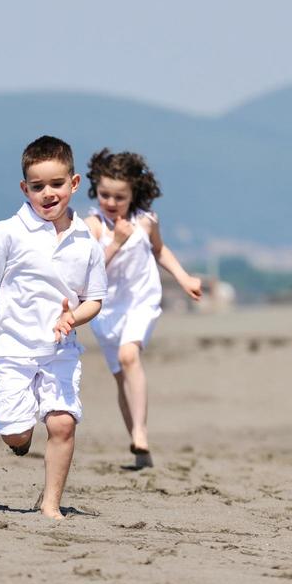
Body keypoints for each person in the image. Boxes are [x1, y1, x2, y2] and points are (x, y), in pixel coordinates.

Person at [0, 135, 107, 519]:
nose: (48, 194)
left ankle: (50, 504)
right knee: (17, 431)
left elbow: (95, 299)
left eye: (56, 184)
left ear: (73, 184)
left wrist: (72, 317)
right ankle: (19, 439)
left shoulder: (87, 242)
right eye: (38, 186)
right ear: (25, 188)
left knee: (62, 424)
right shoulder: (6, 232)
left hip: (60, 350)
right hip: (10, 348)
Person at [82, 149, 203, 469]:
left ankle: (141, 431)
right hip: (106, 309)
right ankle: (139, 448)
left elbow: (161, 251)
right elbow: (88, 269)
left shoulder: (146, 221)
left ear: (134, 193)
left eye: (119, 197)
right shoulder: (92, 225)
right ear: (96, 189)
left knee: (129, 356)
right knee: (121, 375)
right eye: (105, 194)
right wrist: (116, 242)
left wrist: (184, 277)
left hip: (141, 300)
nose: (111, 202)